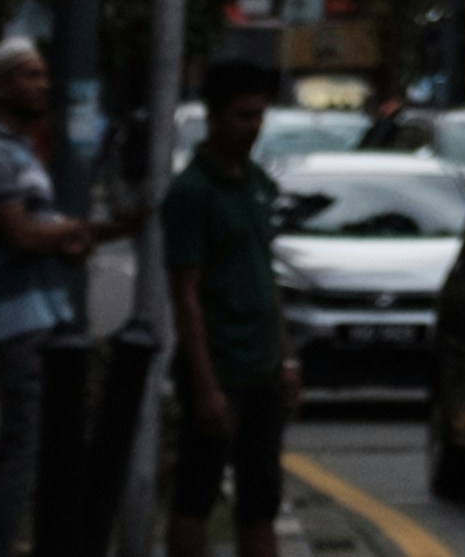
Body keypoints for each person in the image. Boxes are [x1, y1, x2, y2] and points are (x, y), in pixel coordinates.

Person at [0, 37, 90, 557]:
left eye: (43, 75)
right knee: (19, 443)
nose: (41, 86)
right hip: (7, 317)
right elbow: (21, 234)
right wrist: (68, 233)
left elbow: (41, 232)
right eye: (27, 75)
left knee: (29, 443)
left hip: (38, 310)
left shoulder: (22, 152)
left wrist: (66, 239)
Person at [162, 58, 291, 557]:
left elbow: (265, 275)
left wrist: (287, 357)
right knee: (195, 494)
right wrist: (207, 384)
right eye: (242, 115)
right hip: (218, 368)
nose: (253, 127)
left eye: (259, 115)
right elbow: (185, 293)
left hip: (262, 370)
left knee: (261, 501)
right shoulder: (191, 193)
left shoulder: (258, 183)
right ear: (214, 116)